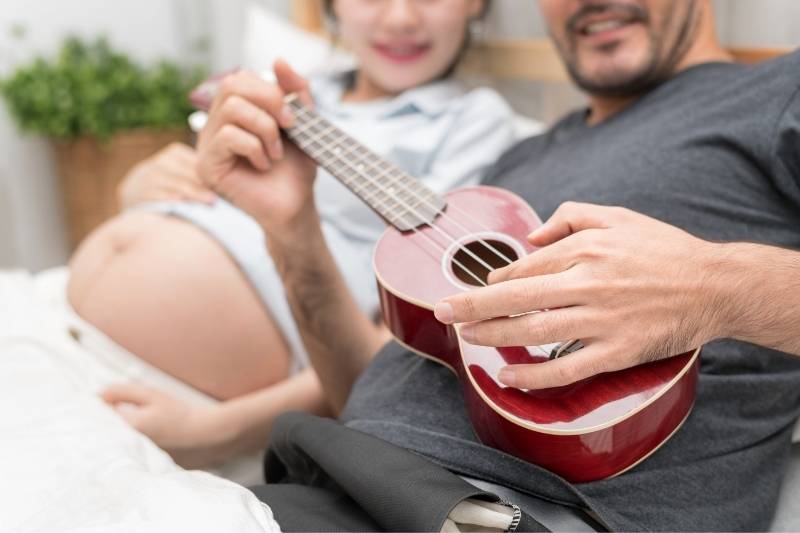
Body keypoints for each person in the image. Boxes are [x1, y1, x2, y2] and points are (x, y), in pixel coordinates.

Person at [195, 0, 800, 530]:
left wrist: (715, 287)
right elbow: (377, 387)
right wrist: (293, 235)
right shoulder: (512, 167)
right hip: (333, 478)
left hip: (527, 512)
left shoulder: (778, 91)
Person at [63, 0, 518, 475]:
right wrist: (136, 189)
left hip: (184, 402)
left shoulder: (474, 122)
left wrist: (211, 431)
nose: (400, 18)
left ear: (475, 6)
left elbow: (396, 354)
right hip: (70, 330)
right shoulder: (297, 91)